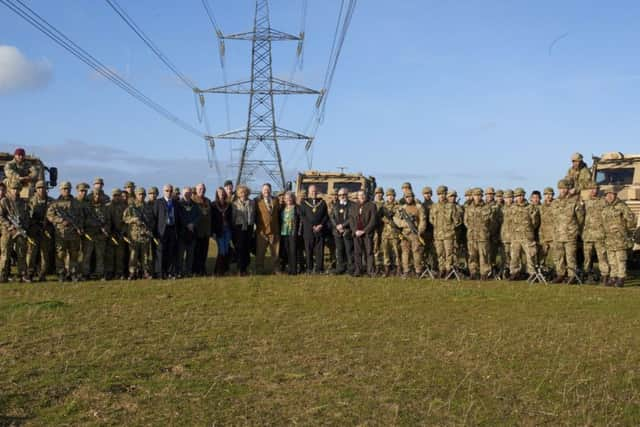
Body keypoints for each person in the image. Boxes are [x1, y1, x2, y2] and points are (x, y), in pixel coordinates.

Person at [47, 181, 84, 282]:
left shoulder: (76, 203)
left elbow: (81, 217)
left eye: (67, 189)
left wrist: (79, 227)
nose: (66, 191)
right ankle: (61, 273)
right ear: (60, 190)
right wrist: (61, 220)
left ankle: (73, 273)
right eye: (64, 189)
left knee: (74, 254)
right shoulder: (54, 203)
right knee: (60, 254)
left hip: (74, 233)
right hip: (61, 233)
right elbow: (50, 216)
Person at [551, 179, 584, 284]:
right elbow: (553, 218)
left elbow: (580, 218)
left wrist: (574, 229)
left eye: (564, 188)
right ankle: (560, 274)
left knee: (571, 256)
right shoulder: (555, 202)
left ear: (568, 189)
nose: (563, 190)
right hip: (558, 234)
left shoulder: (575, 201)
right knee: (558, 256)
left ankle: (572, 276)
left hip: (570, 233)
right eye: (561, 188)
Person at [602, 187, 635, 287]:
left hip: (620, 238)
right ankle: (613, 277)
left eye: (611, 194)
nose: (609, 196)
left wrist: (626, 231)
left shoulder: (622, 206)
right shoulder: (605, 208)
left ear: (615, 195)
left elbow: (631, 219)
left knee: (620, 259)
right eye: (607, 194)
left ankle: (621, 278)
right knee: (611, 260)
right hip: (609, 238)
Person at [0, 181, 30, 282]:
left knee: (21, 254)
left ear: (20, 190)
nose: (15, 191)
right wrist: (10, 226)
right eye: (13, 189)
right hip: (7, 231)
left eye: (17, 189)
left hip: (20, 232)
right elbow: (1, 216)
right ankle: (2, 275)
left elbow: (27, 217)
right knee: (5, 254)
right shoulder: (4, 201)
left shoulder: (23, 203)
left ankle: (23, 275)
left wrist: (23, 228)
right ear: (10, 189)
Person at [123, 187, 155, 280]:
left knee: (145, 255)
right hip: (134, 235)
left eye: (143, 194)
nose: (142, 196)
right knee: (133, 255)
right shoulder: (131, 207)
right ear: (136, 195)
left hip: (145, 235)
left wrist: (150, 229)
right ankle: (132, 273)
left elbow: (152, 220)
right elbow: (125, 219)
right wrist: (133, 219)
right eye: (140, 194)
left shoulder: (148, 207)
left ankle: (145, 272)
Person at [509, 188, 540, 280]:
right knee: (515, 256)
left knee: (530, 256)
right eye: (517, 196)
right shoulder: (512, 208)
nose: (519, 197)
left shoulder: (531, 208)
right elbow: (509, 221)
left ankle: (532, 274)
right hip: (515, 236)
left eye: (521, 195)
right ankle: (515, 273)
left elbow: (535, 223)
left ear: (524, 196)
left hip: (527, 236)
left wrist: (527, 229)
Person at [395, 190, 427, 278]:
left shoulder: (419, 207)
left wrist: (420, 231)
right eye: (407, 197)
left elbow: (423, 220)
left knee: (416, 252)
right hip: (405, 233)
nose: (409, 199)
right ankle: (406, 271)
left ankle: (418, 271)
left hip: (415, 233)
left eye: (410, 197)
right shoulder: (402, 208)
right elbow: (396, 219)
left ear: (413, 197)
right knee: (405, 252)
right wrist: (404, 224)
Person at [581, 183, 609, 284]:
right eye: (592, 189)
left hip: (599, 234)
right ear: (589, 190)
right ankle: (586, 275)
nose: (594, 191)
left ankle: (605, 276)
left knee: (602, 256)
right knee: (587, 257)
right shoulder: (584, 202)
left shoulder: (603, 202)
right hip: (587, 234)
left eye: (596, 189)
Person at [27, 180, 54, 282]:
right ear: (36, 189)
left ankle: (42, 274)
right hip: (34, 230)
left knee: (45, 253)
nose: (41, 190)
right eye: (39, 188)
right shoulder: (31, 201)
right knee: (31, 253)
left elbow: (54, 215)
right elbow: (27, 216)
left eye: (43, 188)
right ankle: (29, 273)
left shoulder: (51, 201)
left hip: (46, 230)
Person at [83, 183, 111, 280]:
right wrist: (96, 225)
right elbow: (84, 220)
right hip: (89, 235)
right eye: (95, 194)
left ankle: (99, 273)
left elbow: (108, 220)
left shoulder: (105, 208)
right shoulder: (87, 207)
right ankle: (86, 273)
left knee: (100, 255)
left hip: (101, 235)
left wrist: (105, 229)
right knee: (87, 255)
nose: (97, 196)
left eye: (98, 195)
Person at [463, 188, 492, 280]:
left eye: (479, 195)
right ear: (473, 196)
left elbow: (491, 222)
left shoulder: (487, 207)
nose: (477, 197)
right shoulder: (469, 208)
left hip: (483, 235)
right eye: (475, 195)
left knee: (484, 255)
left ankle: (484, 273)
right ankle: (473, 272)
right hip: (471, 236)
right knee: (472, 255)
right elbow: (466, 221)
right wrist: (472, 229)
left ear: (481, 196)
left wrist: (485, 230)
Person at [299, 184, 329, 274]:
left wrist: (321, 225)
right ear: (309, 192)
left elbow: (326, 216)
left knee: (319, 250)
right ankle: (309, 268)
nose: (314, 193)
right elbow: (303, 217)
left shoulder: (322, 203)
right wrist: (312, 226)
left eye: (315, 191)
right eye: (312, 191)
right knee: (308, 250)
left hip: (320, 230)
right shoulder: (304, 203)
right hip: (308, 231)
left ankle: (319, 269)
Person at [349, 190, 378, 277]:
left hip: (367, 233)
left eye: (363, 195)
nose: (361, 196)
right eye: (359, 195)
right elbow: (351, 220)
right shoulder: (353, 206)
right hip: (356, 233)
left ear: (366, 195)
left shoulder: (372, 205)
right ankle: (358, 271)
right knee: (357, 253)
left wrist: (364, 231)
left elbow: (373, 220)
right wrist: (355, 231)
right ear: (357, 196)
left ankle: (370, 271)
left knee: (369, 252)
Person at [254, 183, 281, 274]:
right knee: (260, 252)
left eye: (268, 189)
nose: (266, 191)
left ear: (270, 190)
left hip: (274, 231)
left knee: (275, 253)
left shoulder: (276, 200)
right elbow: (254, 216)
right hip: (262, 231)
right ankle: (259, 269)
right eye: (265, 189)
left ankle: (276, 269)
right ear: (262, 191)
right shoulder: (257, 201)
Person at [154, 184, 179, 279]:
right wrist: (155, 232)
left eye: (170, 190)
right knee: (161, 252)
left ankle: (170, 272)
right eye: (167, 190)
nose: (169, 192)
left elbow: (178, 218)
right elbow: (155, 218)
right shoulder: (158, 202)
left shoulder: (175, 203)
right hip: (161, 231)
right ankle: (160, 273)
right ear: (163, 191)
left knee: (171, 252)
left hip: (172, 229)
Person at [177, 186, 201, 277]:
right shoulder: (178, 204)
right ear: (183, 193)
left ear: (191, 194)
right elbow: (178, 216)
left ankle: (188, 271)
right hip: (182, 233)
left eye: (189, 193)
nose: (187, 194)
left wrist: (193, 224)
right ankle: (179, 271)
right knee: (180, 255)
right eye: (186, 193)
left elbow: (199, 216)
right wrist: (187, 224)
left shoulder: (195, 205)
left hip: (192, 233)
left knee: (190, 254)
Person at [231, 185, 255, 275]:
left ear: (247, 193)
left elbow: (255, 215)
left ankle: (245, 267)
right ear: (238, 194)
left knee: (247, 248)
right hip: (238, 228)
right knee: (240, 248)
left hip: (249, 227)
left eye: (245, 192)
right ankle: (240, 269)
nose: (243, 194)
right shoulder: (235, 203)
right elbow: (233, 217)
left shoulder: (252, 202)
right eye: (241, 192)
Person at [330, 188, 354, 274]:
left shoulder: (352, 205)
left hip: (347, 231)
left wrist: (343, 226)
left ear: (347, 195)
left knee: (349, 250)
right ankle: (340, 268)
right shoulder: (335, 205)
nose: (342, 196)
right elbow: (332, 217)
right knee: (339, 250)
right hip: (337, 232)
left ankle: (351, 268)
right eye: (340, 195)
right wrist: (337, 226)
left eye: (344, 194)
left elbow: (351, 218)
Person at [105, 189, 128, 280]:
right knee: (110, 254)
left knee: (120, 255)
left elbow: (126, 221)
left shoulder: (124, 207)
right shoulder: (108, 206)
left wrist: (123, 231)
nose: (116, 197)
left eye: (118, 195)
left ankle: (119, 272)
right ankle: (110, 272)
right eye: (114, 195)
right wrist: (108, 232)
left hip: (121, 233)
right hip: (110, 233)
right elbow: (106, 220)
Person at [192, 183, 212, 276]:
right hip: (196, 231)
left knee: (204, 252)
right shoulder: (193, 200)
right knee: (196, 252)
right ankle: (195, 270)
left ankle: (202, 269)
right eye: (200, 189)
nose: (202, 190)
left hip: (206, 231)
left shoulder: (208, 200)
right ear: (196, 190)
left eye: (203, 189)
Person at [212, 187, 233, 275]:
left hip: (227, 229)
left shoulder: (228, 205)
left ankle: (225, 269)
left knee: (227, 249)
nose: (221, 193)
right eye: (219, 192)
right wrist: (213, 232)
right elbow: (211, 219)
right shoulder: (213, 205)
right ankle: (218, 270)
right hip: (218, 230)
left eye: (222, 192)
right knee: (222, 250)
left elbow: (231, 218)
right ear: (217, 193)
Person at [380, 188, 400, 276]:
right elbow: (379, 217)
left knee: (396, 252)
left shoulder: (398, 206)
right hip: (385, 233)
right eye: (388, 196)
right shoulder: (383, 206)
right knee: (386, 252)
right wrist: (386, 219)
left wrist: (394, 219)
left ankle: (398, 269)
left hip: (395, 232)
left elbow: (400, 218)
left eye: (391, 196)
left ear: (394, 196)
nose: (390, 197)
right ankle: (387, 269)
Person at [280, 191, 300, 275]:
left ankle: (294, 270)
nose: (288, 199)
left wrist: (298, 231)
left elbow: (300, 221)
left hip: (293, 232)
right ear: (284, 199)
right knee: (286, 251)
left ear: (293, 198)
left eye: (290, 198)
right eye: (286, 198)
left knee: (293, 251)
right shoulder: (282, 208)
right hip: (284, 232)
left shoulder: (297, 208)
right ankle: (288, 268)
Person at [538, 188, 555, 268]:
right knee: (542, 256)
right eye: (546, 194)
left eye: (550, 194)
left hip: (554, 235)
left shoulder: (557, 205)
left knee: (557, 256)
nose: (548, 196)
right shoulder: (540, 207)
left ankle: (559, 273)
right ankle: (542, 271)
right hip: (543, 235)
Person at [421, 186, 437, 271]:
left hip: (432, 231)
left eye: (429, 194)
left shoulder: (434, 206)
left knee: (433, 251)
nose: (427, 195)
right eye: (425, 194)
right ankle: (424, 267)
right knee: (424, 250)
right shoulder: (421, 206)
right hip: (424, 231)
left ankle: (433, 267)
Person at [373, 187, 385, 274]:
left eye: (380, 193)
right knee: (375, 247)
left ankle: (385, 266)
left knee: (384, 248)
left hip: (384, 229)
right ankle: (377, 265)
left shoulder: (385, 204)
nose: (379, 194)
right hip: (375, 229)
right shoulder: (371, 204)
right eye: (377, 193)